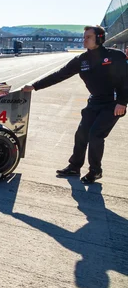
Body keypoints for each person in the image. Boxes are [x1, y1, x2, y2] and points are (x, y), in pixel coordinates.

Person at [22, 25, 127, 184]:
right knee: (81, 134)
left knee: (95, 135)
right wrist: (35, 86)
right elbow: (59, 75)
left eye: (88, 37)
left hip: (112, 103)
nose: (84, 40)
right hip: (95, 101)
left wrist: (122, 102)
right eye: (84, 37)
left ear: (99, 38)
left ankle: (95, 171)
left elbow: (126, 80)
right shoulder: (81, 60)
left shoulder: (115, 56)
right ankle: (74, 166)